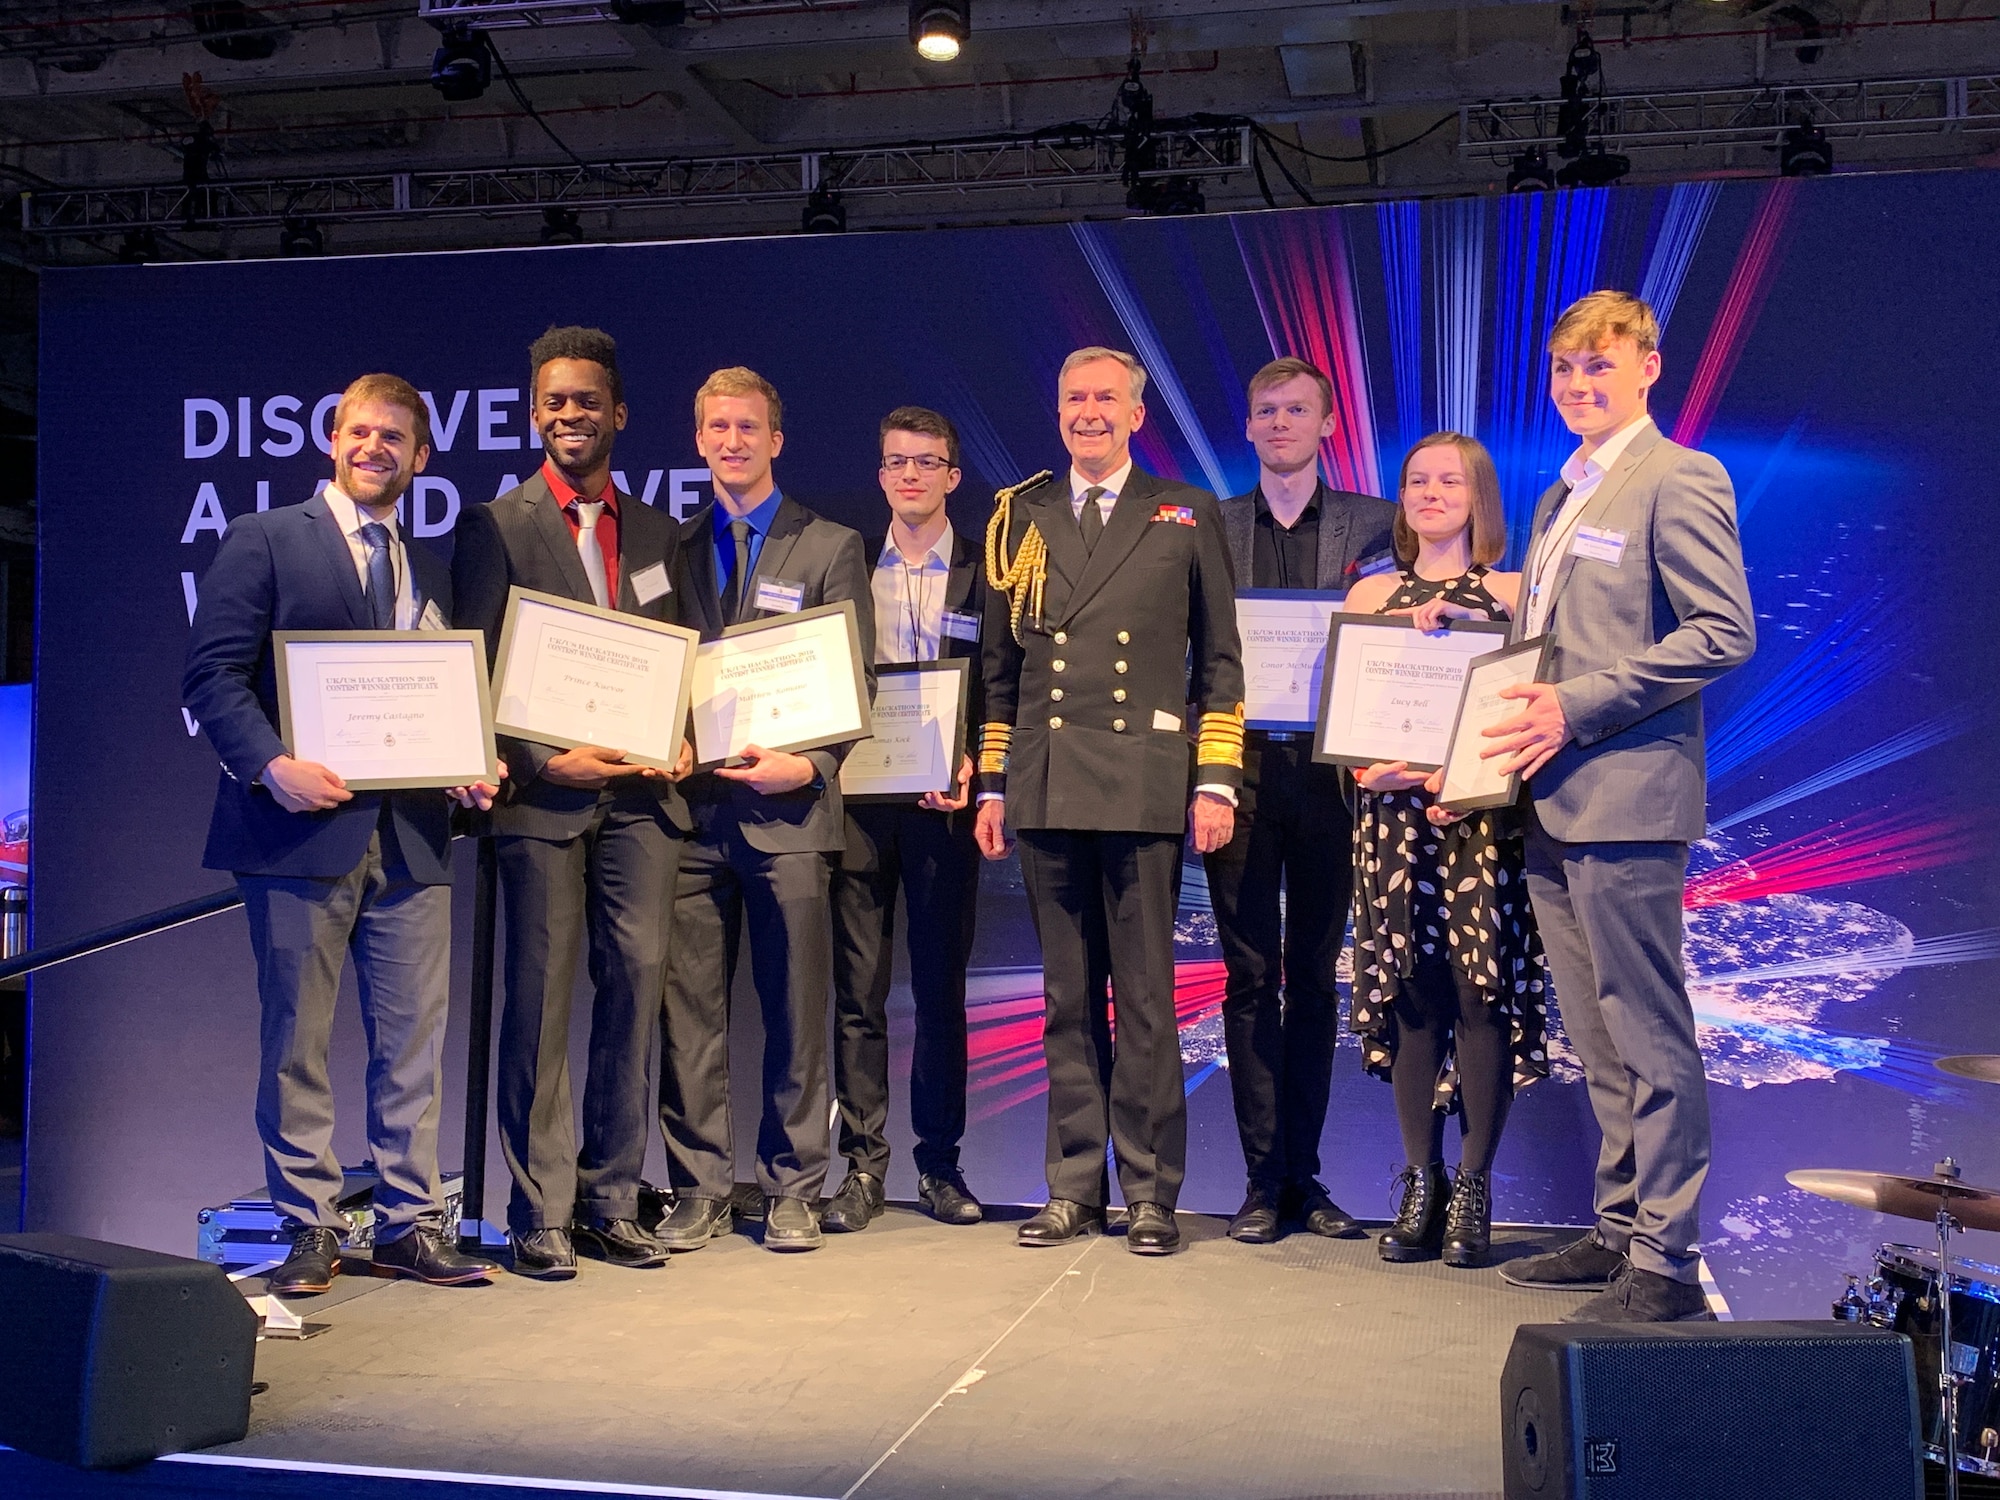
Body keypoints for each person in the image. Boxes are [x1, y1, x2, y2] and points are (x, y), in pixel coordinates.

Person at [184, 373, 500, 1294]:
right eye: (361, 432)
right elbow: (212, 678)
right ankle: (309, 1226)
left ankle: (407, 1221)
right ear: (333, 438)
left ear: (421, 456)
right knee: (300, 1042)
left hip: (411, 840)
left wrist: (467, 756)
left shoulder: (430, 567)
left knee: (413, 1046)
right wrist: (272, 765)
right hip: (297, 836)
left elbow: (440, 702)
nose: (376, 449)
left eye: (394, 438)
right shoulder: (267, 539)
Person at [1490, 291, 1754, 1322]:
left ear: (1649, 367)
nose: (1577, 387)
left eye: (1598, 368)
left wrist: (1576, 704)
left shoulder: (1678, 476)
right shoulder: (1560, 498)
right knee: (1596, 1035)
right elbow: (1549, 631)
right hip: (1550, 798)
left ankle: (1666, 1255)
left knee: (1646, 1031)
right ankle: (1615, 1227)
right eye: (1563, 371)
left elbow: (1721, 632)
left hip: (1629, 796)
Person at [975, 346, 1245, 1257]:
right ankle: (1071, 1188)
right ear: (1058, 412)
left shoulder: (1183, 510)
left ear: (1137, 413)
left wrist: (1215, 780)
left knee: (1147, 1000)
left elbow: (1219, 659)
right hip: (1048, 780)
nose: (1088, 412)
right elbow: (1000, 669)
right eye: (1073, 399)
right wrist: (992, 781)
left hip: (1142, 780)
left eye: (1106, 399)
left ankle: (1152, 1193)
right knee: (1063, 998)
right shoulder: (1023, 514)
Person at [450, 326, 692, 1281]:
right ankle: (536, 1210)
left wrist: (680, 735)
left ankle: (609, 1198)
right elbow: (472, 670)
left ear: (617, 414)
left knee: (634, 995)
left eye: (586, 401)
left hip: (639, 806)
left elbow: (680, 659)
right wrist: (546, 758)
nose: (569, 416)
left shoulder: (660, 533)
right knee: (540, 1007)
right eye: (553, 401)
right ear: (535, 412)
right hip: (544, 801)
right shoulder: (496, 526)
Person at [657, 366, 874, 1255]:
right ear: (700, 440)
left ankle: (792, 1187)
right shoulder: (669, 549)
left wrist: (811, 763)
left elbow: (854, 680)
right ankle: (699, 1188)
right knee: (689, 1013)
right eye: (719, 428)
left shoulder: (829, 545)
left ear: (776, 440)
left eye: (750, 427)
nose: (734, 441)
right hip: (690, 812)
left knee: (795, 1009)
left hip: (788, 814)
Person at [1339, 433, 1550, 1270]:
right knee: (1412, 998)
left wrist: (1447, 769)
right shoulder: (1367, 594)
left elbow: (1529, 700)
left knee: (1478, 994)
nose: (1430, 493)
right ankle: (1419, 1182)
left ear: (1479, 495)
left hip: (1477, 823)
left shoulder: (1514, 591)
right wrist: (1368, 764)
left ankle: (1473, 1187)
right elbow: (1346, 721)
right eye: (1416, 481)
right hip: (1389, 823)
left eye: (1449, 480)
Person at [1208, 357, 1396, 1245]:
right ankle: (1258, 1181)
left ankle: (1306, 1178)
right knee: (1249, 982)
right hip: (1237, 778)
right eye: (1264, 410)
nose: (1279, 423)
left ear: (1327, 424)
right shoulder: (1210, 525)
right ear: (1247, 427)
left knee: (1315, 982)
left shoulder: (1374, 522)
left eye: (1297, 410)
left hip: (1334, 783)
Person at [823, 407, 988, 1233]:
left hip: (944, 810)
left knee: (940, 994)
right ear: (882, 475)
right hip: (859, 803)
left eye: (929, 462)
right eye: (897, 462)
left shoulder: (985, 571)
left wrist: (976, 767)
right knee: (857, 994)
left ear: (954, 476)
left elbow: (1002, 687)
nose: (912, 476)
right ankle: (861, 1165)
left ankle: (940, 1165)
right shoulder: (849, 563)